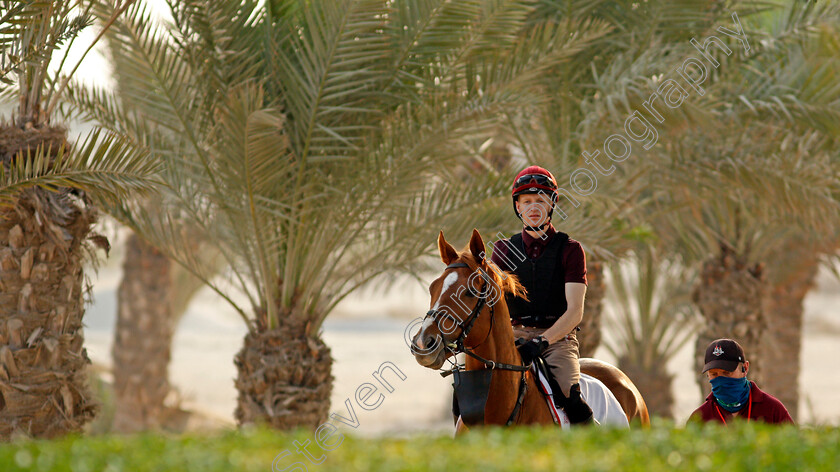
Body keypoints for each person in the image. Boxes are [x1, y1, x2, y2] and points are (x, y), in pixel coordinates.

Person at [489, 165, 593, 425]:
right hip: (513, 338)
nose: (533, 206)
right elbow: (492, 306)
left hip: (557, 343)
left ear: (552, 204)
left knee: (572, 397)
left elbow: (575, 312)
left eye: (540, 200)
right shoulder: (502, 250)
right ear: (518, 207)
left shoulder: (571, 250)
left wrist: (543, 341)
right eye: (526, 201)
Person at [689, 338, 794, 425]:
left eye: (727, 373)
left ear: (745, 368)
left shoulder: (773, 409)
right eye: (714, 374)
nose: (720, 380)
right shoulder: (699, 418)